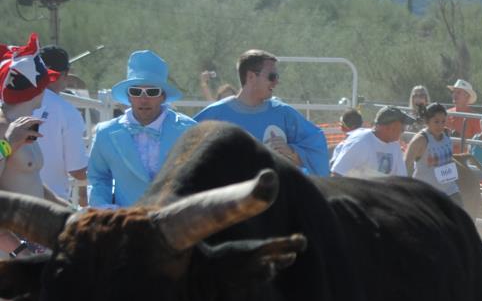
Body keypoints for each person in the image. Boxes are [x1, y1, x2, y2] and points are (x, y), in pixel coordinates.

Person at [0, 35, 65, 301]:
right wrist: (7, 143)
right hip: (11, 243)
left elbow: (31, 183)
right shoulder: (6, 129)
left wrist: (67, 212)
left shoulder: (25, 125)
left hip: (23, 243)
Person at [87, 50, 198, 208]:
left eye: (152, 92)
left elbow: (200, 178)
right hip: (125, 225)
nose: (144, 99)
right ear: (129, 96)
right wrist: (106, 209)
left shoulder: (189, 131)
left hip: (174, 226)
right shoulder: (105, 133)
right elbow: (98, 179)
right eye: (136, 91)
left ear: (163, 96)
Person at [194, 49, 329, 176]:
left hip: (275, 198)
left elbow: (317, 150)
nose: (277, 81)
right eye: (272, 76)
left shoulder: (284, 114)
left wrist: (292, 152)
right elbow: (186, 158)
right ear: (251, 76)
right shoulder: (214, 115)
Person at [32, 46, 90, 206]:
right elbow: (77, 170)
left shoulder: (8, 104)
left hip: (9, 205)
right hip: (48, 206)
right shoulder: (66, 111)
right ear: (65, 74)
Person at [330, 105, 413, 179]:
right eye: (402, 125)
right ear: (390, 127)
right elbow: (337, 175)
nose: (404, 129)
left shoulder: (394, 145)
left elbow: (401, 179)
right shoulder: (360, 143)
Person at [404, 103, 462, 204]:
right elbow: (405, 164)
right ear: (427, 121)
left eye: (443, 121)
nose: (440, 125)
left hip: (450, 190)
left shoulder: (447, 134)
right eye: (436, 122)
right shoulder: (420, 140)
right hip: (426, 192)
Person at [447, 78, 482, 154]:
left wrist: (460, 142)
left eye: (458, 92)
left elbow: (478, 144)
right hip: (446, 157)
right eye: (454, 92)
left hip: (464, 160)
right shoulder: (446, 114)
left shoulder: (475, 118)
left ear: (467, 96)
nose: (454, 95)